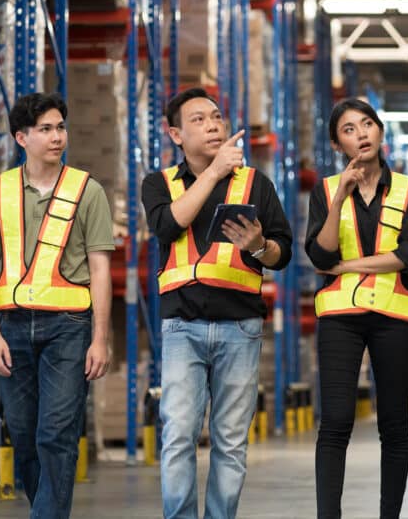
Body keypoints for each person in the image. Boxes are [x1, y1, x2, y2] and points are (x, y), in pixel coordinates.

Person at [141, 88, 293, 519]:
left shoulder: (254, 184)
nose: (212, 125)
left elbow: (282, 252)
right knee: (178, 437)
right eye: (198, 120)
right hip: (182, 327)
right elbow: (169, 225)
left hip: (240, 327)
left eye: (216, 117)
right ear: (175, 133)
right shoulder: (159, 184)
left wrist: (261, 245)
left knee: (230, 441)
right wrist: (213, 172)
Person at [0, 92, 114, 519]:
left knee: (56, 433)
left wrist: (101, 339)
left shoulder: (87, 191)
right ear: (21, 137)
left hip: (69, 328)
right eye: (46, 129)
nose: (57, 137)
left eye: (61, 128)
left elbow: (101, 270)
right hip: (12, 329)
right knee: (25, 436)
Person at [305, 98, 408, 519]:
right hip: (341, 317)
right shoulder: (324, 191)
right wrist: (340, 198)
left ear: (380, 131)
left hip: (394, 317)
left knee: (394, 426)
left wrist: (350, 265)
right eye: (350, 130)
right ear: (338, 144)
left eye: (368, 124)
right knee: (336, 422)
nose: (362, 134)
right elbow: (320, 258)